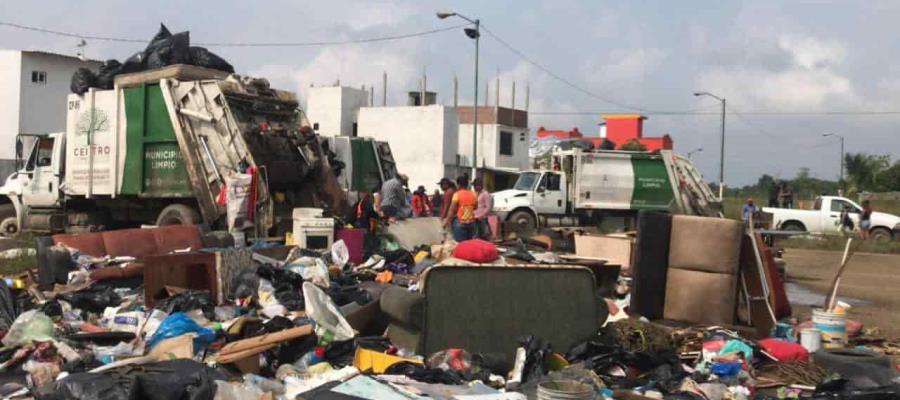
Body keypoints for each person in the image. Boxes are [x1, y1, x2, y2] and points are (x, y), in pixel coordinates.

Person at [444, 175, 478, 242]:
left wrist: (446, 221)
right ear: (467, 184)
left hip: (460, 223)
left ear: (458, 184)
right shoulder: (473, 194)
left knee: (460, 244)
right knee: (469, 244)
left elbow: (452, 210)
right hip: (471, 223)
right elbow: (475, 207)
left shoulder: (457, 194)